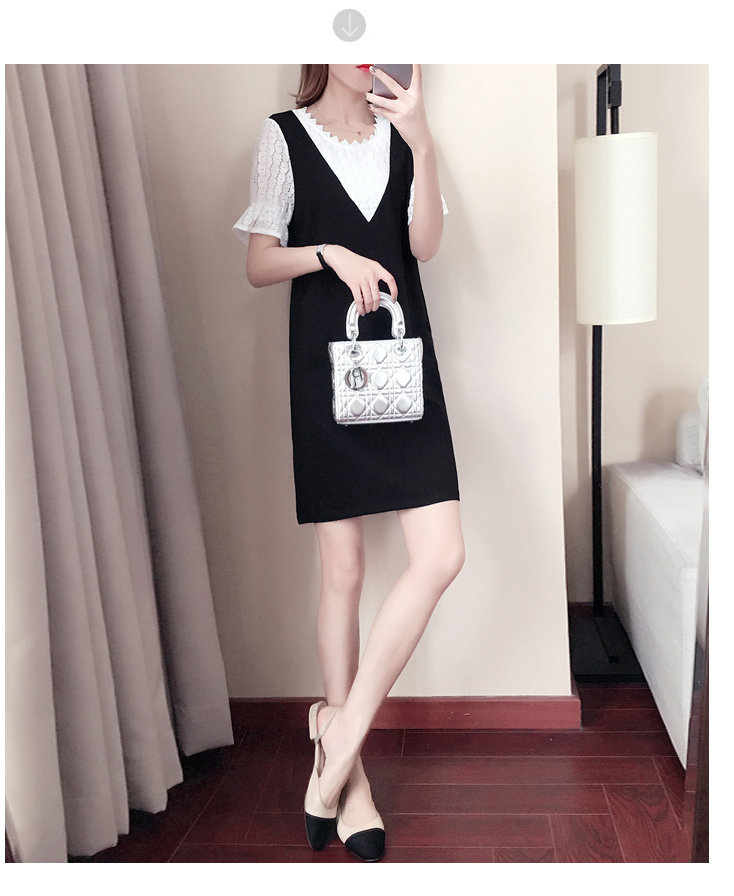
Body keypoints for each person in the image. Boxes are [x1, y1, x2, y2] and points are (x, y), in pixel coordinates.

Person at [233, 64, 465, 862]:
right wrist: (330, 253)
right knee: (344, 572)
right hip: (325, 373)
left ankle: (337, 731)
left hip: (404, 367)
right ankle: (351, 779)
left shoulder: (406, 139)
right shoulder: (283, 137)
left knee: (442, 555)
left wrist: (423, 143)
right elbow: (260, 264)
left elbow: (425, 246)